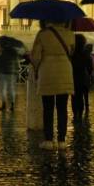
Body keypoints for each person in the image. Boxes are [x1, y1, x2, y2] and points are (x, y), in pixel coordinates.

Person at [31, 20, 74, 149]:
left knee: (48, 108)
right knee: (62, 108)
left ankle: (48, 140)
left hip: (47, 70)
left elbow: (36, 56)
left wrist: (36, 67)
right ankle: (62, 140)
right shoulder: (70, 34)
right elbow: (71, 52)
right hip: (65, 70)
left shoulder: (42, 34)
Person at [71, 40, 93, 118]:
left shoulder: (71, 54)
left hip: (73, 78)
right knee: (81, 97)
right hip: (83, 78)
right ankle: (80, 114)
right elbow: (90, 68)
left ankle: (75, 114)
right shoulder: (86, 55)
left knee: (74, 97)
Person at [0, 45, 20, 111]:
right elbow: (17, 65)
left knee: (3, 90)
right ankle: (12, 104)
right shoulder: (14, 54)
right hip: (11, 74)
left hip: (3, 73)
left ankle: (4, 104)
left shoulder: (2, 54)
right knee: (11, 89)